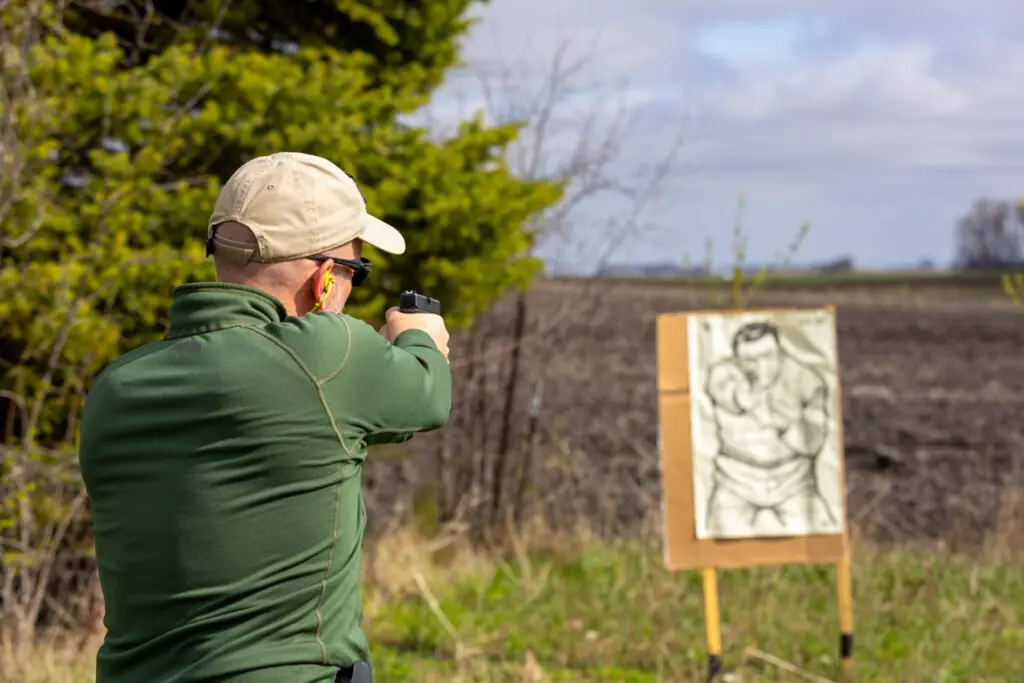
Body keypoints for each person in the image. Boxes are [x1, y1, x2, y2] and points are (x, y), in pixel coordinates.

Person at [78, 152, 452, 683]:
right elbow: (428, 394)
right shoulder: (328, 352)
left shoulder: (114, 387)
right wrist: (421, 336)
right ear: (325, 278)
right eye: (355, 271)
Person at [702, 321, 838, 536]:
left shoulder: (806, 378)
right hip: (736, 477)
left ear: (779, 351)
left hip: (793, 479)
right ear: (737, 358)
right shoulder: (723, 372)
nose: (760, 366)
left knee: (825, 537)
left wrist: (780, 419)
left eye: (767, 356)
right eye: (750, 360)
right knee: (710, 538)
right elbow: (729, 393)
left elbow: (812, 442)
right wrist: (749, 395)